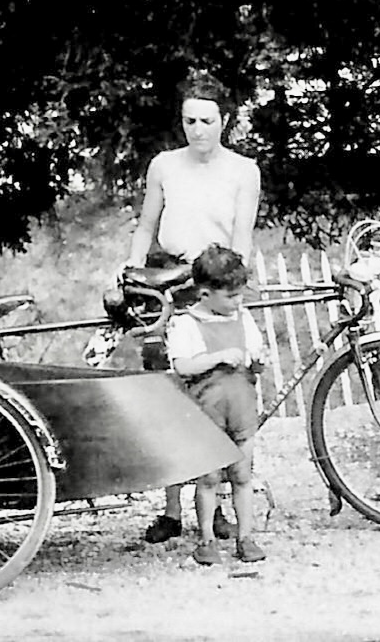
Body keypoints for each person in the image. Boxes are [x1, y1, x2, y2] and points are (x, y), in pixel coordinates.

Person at [123, 70, 262, 542]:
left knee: (216, 389)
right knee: (167, 390)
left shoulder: (244, 171)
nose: (197, 129)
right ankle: (170, 509)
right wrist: (131, 270)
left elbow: (241, 237)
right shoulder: (164, 165)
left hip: (216, 278)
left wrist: (232, 286)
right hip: (167, 279)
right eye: (189, 121)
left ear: (224, 121)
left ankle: (216, 504)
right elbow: (145, 225)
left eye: (206, 120)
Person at [165, 244, 267, 564]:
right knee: (208, 479)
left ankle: (246, 536)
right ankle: (207, 538)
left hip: (241, 410)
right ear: (206, 294)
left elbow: (255, 362)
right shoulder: (187, 324)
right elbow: (183, 366)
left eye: (240, 295)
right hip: (208, 416)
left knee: (242, 475)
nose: (238, 302)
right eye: (231, 296)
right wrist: (217, 357)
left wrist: (259, 362)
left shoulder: (244, 319)